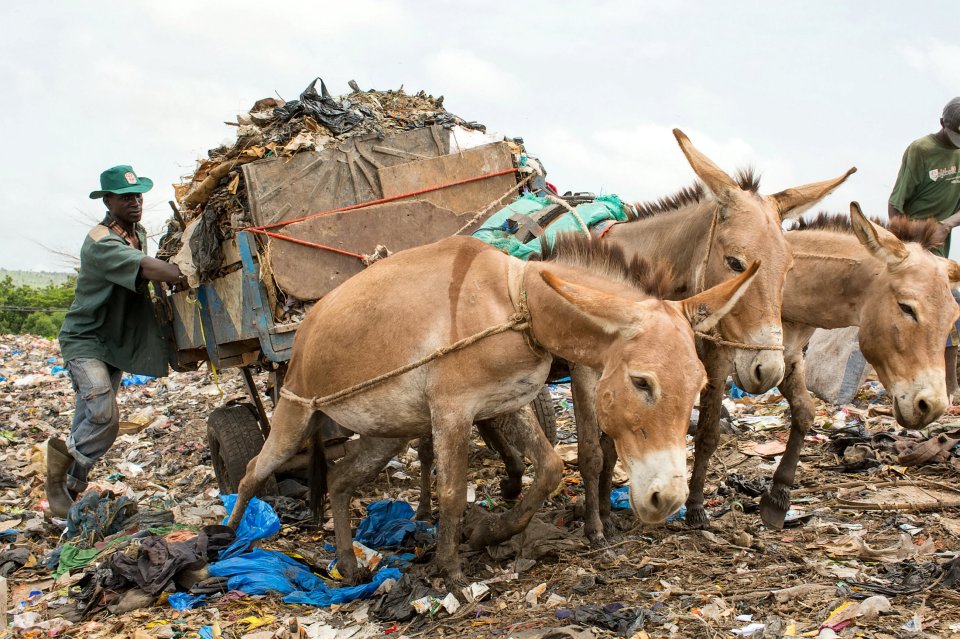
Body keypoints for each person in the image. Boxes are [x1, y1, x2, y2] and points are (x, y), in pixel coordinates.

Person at [46, 165, 187, 517]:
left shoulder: (134, 232)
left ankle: (66, 493)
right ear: (107, 201)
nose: (135, 202)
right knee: (103, 414)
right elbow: (144, 268)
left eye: (138, 195)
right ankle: (55, 481)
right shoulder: (101, 241)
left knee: (93, 425)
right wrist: (183, 272)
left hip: (113, 344)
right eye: (126, 198)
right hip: (86, 340)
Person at [888, 97, 960, 401]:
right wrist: (906, 248)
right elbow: (895, 206)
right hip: (913, 245)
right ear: (942, 124)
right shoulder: (921, 150)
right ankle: (905, 378)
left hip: (940, 248)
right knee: (911, 315)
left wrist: (947, 224)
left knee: (949, 310)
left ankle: (950, 384)